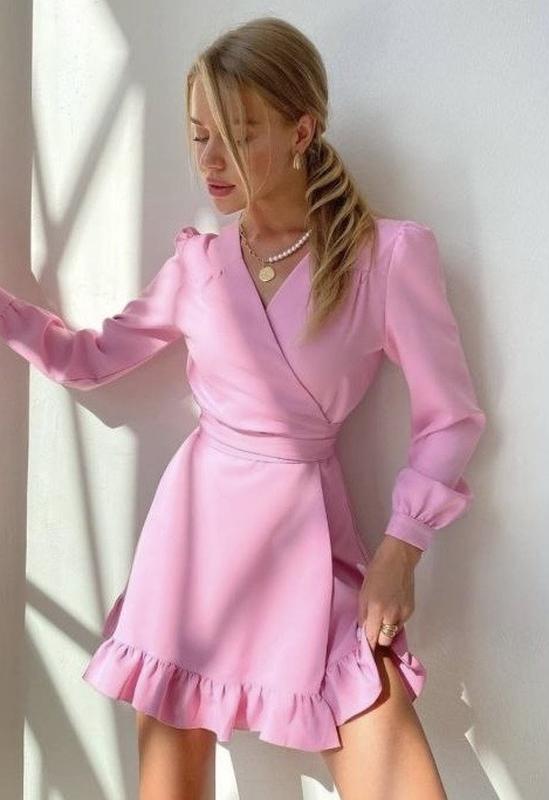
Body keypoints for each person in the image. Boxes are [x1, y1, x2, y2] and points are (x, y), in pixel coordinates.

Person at [0, 16, 486, 800]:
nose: (210, 161)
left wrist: (400, 550)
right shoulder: (198, 265)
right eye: (199, 137)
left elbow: (449, 419)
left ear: (302, 130)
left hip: (309, 552)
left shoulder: (385, 257)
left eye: (236, 135)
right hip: (190, 552)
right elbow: (85, 359)